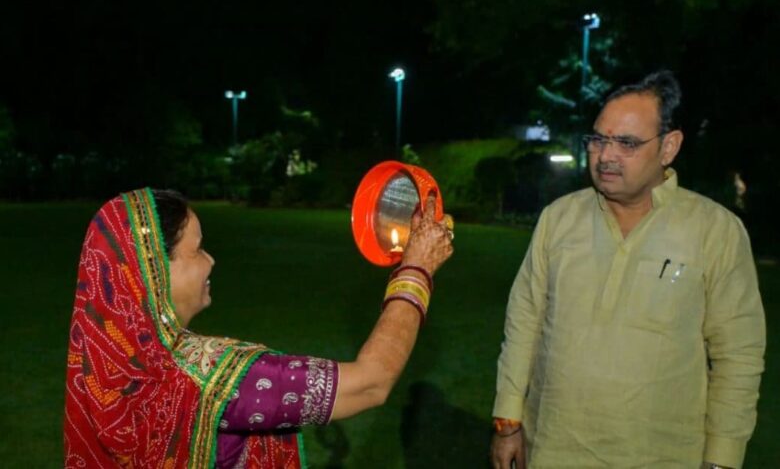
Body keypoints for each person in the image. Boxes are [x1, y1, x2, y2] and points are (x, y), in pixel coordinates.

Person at [490, 71, 765, 469]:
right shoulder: (559, 219)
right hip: (551, 450)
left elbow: (738, 355)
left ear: (669, 147)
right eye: (598, 139)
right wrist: (507, 423)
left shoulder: (715, 231)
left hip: (662, 457)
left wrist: (722, 458)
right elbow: (523, 322)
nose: (606, 156)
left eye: (627, 143)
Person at [64, 187, 453, 468]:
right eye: (197, 249)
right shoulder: (211, 379)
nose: (211, 261)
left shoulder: (105, 375)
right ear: (155, 274)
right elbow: (372, 381)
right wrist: (416, 269)